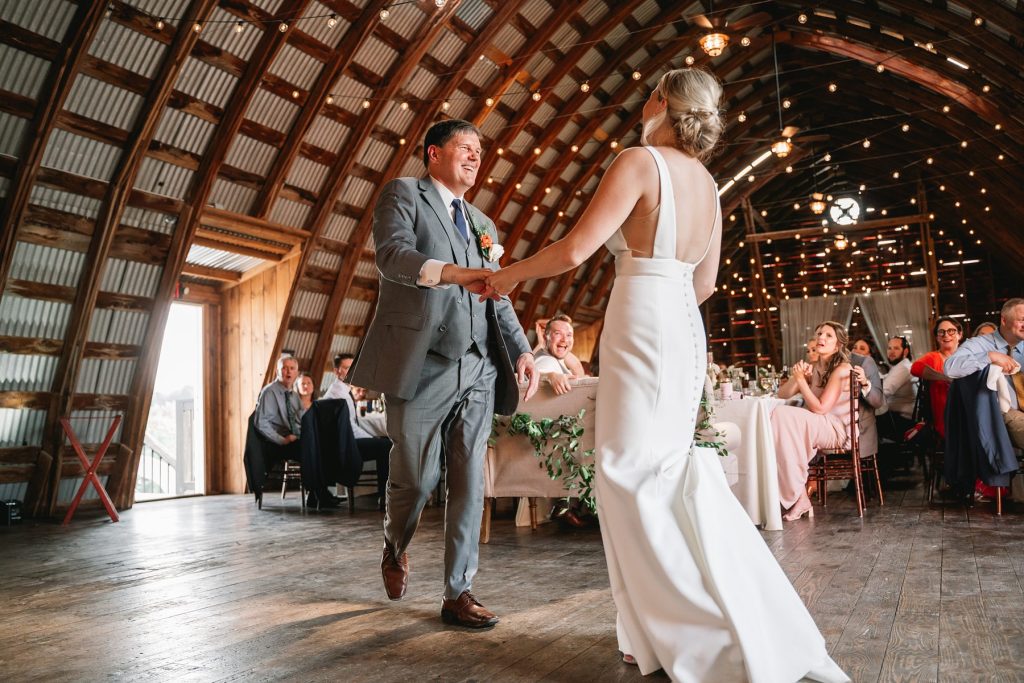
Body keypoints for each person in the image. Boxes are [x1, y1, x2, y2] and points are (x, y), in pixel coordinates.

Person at [478, 68, 847, 682]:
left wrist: (508, 276)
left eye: (650, 93)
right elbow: (703, 283)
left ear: (662, 105)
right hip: (679, 323)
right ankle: (650, 631)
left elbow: (575, 249)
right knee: (667, 467)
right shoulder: (707, 182)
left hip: (642, 316)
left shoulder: (638, 161)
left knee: (626, 471)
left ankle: (692, 634)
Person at [348, 118, 537, 629]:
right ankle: (395, 543)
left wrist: (521, 351)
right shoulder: (403, 195)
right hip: (422, 363)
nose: (475, 157)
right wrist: (454, 272)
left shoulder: (483, 223)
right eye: (464, 147)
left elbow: (495, 295)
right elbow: (392, 257)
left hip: (478, 367)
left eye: (480, 150)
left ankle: (459, 592)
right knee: (416, 476)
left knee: (469, 479)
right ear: (433, 153)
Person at [772, 322, 855, 521]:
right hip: (821, 424)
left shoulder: (843, 369)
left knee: (782, 416)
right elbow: (780, 395)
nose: (821, 338)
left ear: (837, 346)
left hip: (838, 431)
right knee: (777, 415)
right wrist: (797, 377)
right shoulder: (816, 367)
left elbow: (821, 408)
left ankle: (798, 495)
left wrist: (802, 382)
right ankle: (800, 496)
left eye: (828, 335)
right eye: (819, 333)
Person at [255, 355, 339, 508]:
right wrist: (283, 440)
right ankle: (319, 492)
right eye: (284, 368)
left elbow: (300, 421)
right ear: (278, 371)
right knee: (309, 446)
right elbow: (261, 423)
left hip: (293, 440)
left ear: (296, 372)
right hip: (274, 444)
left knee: (322, 443)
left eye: (292, 368)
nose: (288, 371)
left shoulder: (294, 396)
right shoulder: (269, 392)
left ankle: (316, 494)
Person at [945, 298, 1024, 450]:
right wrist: (989, 356)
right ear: (1004, 320)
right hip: (1002, 416)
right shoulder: (980, 344)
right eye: (1022, 320)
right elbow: (950, 368)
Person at [911, 316, 962, 439]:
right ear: (937, 337)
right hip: (946, 418)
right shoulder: (934, 357)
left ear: (960, 334)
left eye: (951, 331)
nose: (946, 335)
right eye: (941, 332)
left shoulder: (968, 355)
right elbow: (915, 368)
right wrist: (945, 377)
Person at [877, 336, 917, 443]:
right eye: (889, 348)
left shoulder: (903, 368)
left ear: (905, 351)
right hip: (900, 416)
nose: (891, 352)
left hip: (902, 421)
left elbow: (884, 391)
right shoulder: (901, 366)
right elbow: (886, 379)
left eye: (896, 348)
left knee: (865, 417)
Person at [535, 314, 582, 395]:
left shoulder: (557, 358)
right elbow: (531, 374)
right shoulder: (547, 361)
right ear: (545, 338)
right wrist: (550, 376)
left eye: (569, 335)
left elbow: (578, 368)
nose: (564, 340)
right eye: (558, 333)